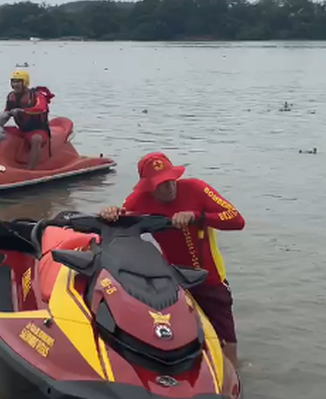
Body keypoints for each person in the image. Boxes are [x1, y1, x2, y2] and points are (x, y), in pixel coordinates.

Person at [99, 152, 246, 369]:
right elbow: (121, 224)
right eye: (161, 184)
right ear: (148, 186)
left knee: (225, 338)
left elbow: (236, 219)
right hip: (174, 279)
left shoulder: (196, 188)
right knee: (177, 333)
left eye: (170, 180)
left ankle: (232, 375)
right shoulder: (138, 200)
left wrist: (198, 216)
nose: (169, 187)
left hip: (210, 278)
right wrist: (110, 213)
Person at [1, 69, 54, 170]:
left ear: (24, 82)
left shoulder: (37, 96)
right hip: (22, 130)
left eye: (17, 82)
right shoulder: (11, 96)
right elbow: (6, 112)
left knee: (36, 139)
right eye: (13, 82)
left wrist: (23, 111)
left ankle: (30, 169)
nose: (14, 84)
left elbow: (41, 108)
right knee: (0, 133)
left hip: (38, 130)